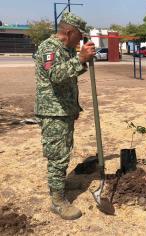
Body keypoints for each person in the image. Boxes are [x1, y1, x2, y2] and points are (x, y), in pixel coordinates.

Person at [34, 12, 96, 220]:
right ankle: (58, 201)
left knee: (64, 151)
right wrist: (80, 58)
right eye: (80, 35)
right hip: (53, 112)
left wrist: (82, 61)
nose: (81, 39)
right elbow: (56, 75)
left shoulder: (66, 49)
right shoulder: (49, 48)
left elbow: (69, 75)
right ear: (69, 32)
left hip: (64, 109)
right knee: (57, 156)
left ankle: (58, 183)